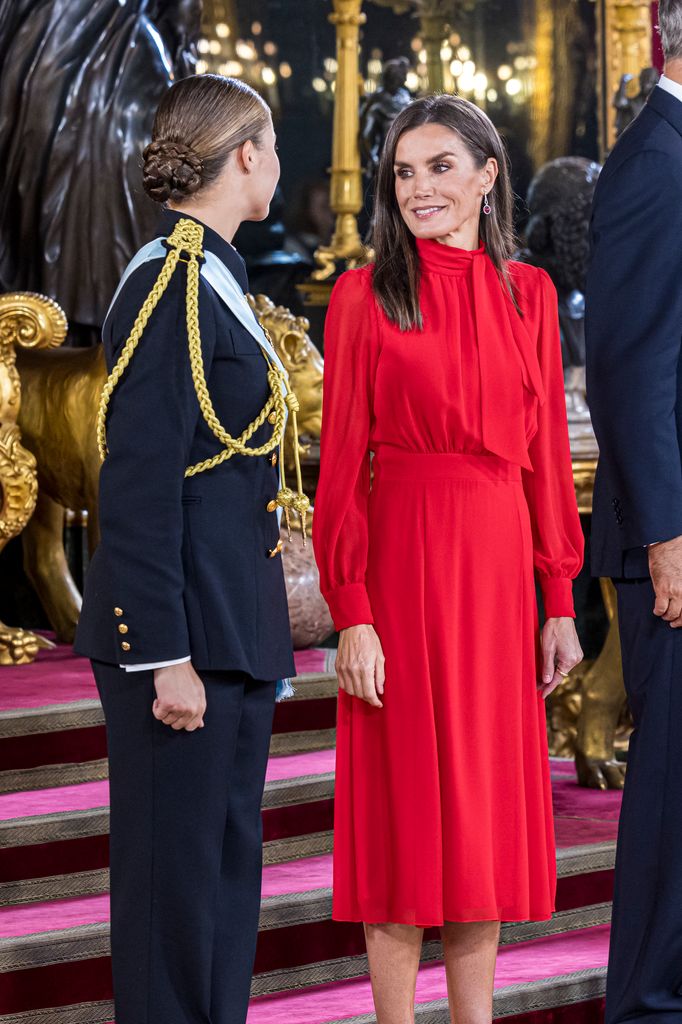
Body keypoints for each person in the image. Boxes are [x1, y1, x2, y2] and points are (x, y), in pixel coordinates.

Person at [314, 94, 584, 1023]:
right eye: (403, 171)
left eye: (437, 167)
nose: (418, 187)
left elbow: (546, 455)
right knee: (400, 820)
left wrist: (558, 599)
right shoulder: (362, 295)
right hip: (401, 565)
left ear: (486, 173)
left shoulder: (533, 295)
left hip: (500, 570)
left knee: (482, 824)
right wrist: (352, 608)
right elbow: (342, 465)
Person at [75, 75, 306, 1024]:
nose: (278, 164)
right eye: (274, 147)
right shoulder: (172, 276)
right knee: (176, 895)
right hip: (184, 641)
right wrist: (160, 651)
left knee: (216, 887)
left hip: (227, 626)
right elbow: (136, 483)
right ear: (247, 154)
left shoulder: (214, 271)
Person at [585, 2, 682, 1020]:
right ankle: (648, 1007)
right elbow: (627, 367)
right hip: (674, 545)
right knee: (669, 806)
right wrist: (665, 535)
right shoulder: (653, 159)